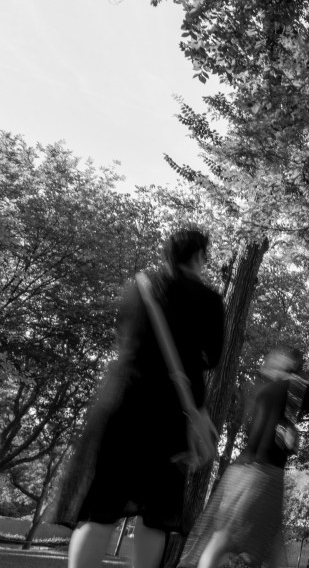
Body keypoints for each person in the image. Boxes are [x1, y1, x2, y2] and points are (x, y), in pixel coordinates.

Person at [48, 227, 224, 568]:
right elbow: (213, 358)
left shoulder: (140, 286)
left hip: (122, 404)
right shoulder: (208, 300)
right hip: (171, 416)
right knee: (156, 517)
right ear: (200, 256)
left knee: (100, 509)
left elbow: (125, 338)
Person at [179, 347, 309, 568]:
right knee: (232, 538)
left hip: (241, 471)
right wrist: (290, 428)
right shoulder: (295, 388)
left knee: (255, 538)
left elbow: (253, 432)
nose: (267, 367)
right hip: (265, 474)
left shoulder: (264, 391)